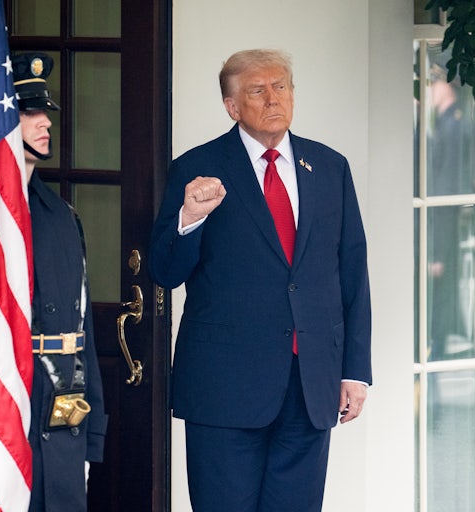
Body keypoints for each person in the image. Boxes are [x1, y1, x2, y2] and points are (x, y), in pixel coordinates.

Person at [148, 48, 372, 511]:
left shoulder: (330, 167)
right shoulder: (196, 168)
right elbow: (165, 272)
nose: (273, 99)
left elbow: (352, 272)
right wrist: (190, 217)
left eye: (281, 87)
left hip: (310, 384)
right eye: (257, 91)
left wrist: (355, 371)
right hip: (224, 388)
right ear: (232, 107)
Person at [13, 53, 108, 511]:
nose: (45, 122)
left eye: (44, 111)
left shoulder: (61, 216)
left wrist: (90, 436)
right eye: (29, 112)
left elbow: (81, 334)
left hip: (61, 417)